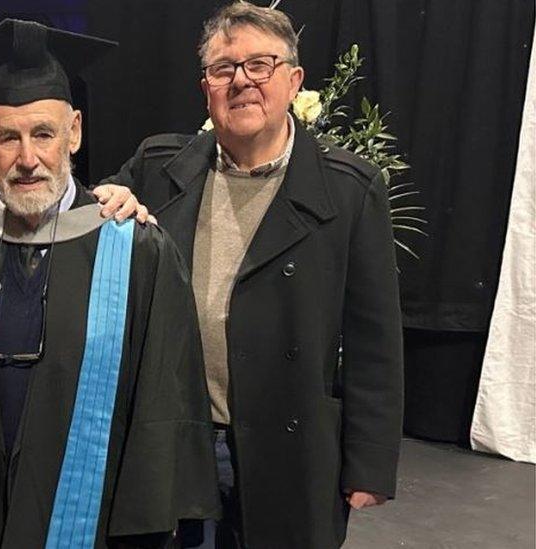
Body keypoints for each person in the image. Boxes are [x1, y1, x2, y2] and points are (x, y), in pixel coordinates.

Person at [0, 19, 220, 548]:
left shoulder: (135, 247)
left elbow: (164, 397)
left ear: (75, 133)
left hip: (95, 515)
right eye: (7, 137)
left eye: (43, 133)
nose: (27, 158)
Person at [104, 3, 404, 548]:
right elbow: (72, 214)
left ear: (294, 81)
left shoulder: (349, 189)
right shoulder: (158, 168)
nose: (241, 80)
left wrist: (370, 463)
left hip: (288, 444)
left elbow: (374, 338)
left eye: (259, 65)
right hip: (174, 439)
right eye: (224, 69)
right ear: (206, 88)